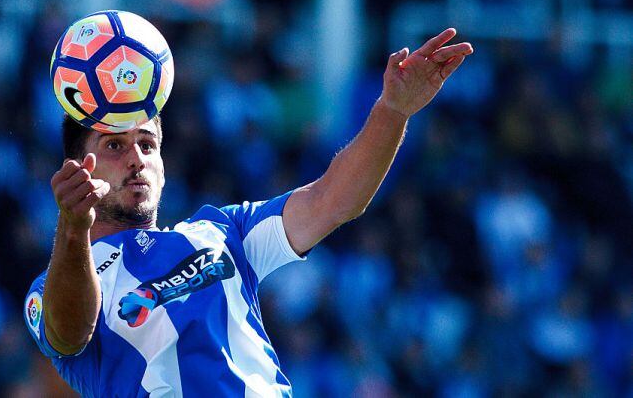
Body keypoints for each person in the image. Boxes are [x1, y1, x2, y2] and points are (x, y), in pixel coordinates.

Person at [24, 28, 473, 397]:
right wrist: (72, 227)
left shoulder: (221, 231)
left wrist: (392, 110)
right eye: (115, 146)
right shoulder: (55, 285)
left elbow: (333, 200)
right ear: (79, 168)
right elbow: (67, 334)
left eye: (148, 144)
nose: (137, 158)